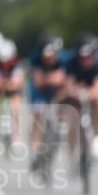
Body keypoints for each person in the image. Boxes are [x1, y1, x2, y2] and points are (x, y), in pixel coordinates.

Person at [64, 33, 98, 160]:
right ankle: (72, 146)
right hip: (77, 90)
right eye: (82, 57)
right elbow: (68, 84)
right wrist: (74, 91)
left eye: (89, 56)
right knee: (71, 110)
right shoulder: (71, 62)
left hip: (91, 89)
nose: (86, 60)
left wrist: (89, 93)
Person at [27, 35, 67, 169]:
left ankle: (60, 131)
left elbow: (65, 80)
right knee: (38, 115)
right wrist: (54, 78)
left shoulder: (63, 59)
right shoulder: (36, 59)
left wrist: (56, 80)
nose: (50, 59)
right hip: (39, 93)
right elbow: (38, 82)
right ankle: (35, 151)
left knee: (65, 105)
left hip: (57, 92)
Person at [0, 38, 27, 141]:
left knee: (16, 106)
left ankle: (16, 133)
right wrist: (5, 84)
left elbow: (18, 83)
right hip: (2, 91)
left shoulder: (17, 65)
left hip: (14, 91)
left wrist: (5, 83)